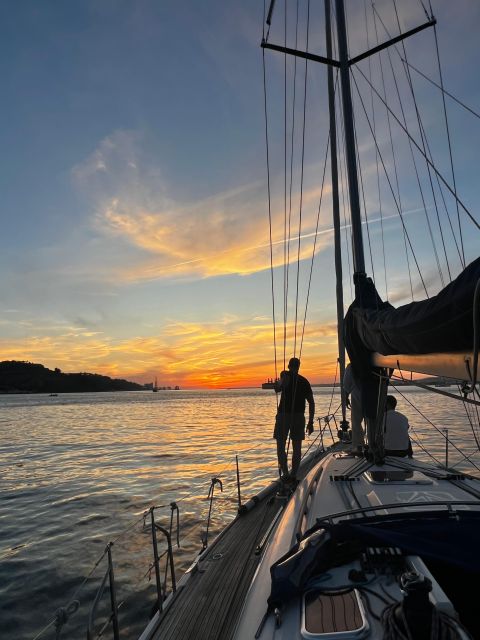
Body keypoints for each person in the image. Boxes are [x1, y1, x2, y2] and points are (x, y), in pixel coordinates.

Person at [273, 357, 315, 481]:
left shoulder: (284, 375)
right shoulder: (304, 381)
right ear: (299, 366)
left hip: (283, 415)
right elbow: (311, 403)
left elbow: (279, 387)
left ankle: (285, 474)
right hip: (298, 416)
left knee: (280, 445)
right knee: (297, 447)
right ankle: (294, 475)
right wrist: (310, 422)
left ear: (288, 366)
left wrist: (278, 385)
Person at [343, 363, 365, 450]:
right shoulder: (373, 361)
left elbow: (346, 384)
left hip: (357, 393)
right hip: (373, 392)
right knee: (372, 420)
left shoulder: (352, 366)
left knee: (356, 421)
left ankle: (359, 446)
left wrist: (346, 397)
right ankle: (373, 445)